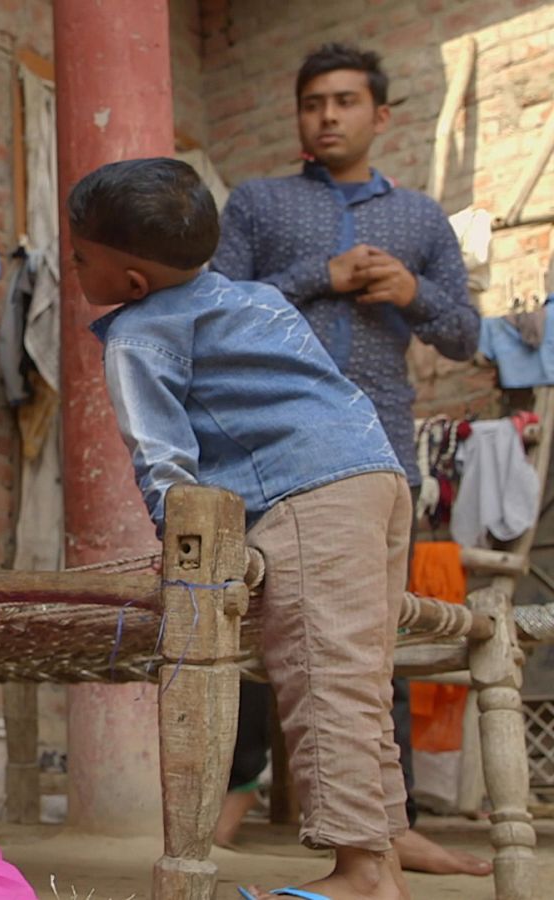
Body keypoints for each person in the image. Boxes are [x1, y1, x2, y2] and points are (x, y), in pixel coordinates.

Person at [72, 157, 411, 900]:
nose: (73, 266)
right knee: (358, 677)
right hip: (377, 477)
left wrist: (186, 548)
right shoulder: (256, 298)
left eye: (79, 256)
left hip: (306, 494)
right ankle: (381, 868)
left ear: (131, 283)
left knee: (323, 678)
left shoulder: (138, 332)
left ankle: (358, 873)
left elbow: (162, 459)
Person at [210, 42, 488, 877]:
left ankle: (387, 825)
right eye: (312, 103)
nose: (326, 117)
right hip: (267, 450)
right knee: (258, 625)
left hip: (378, 448)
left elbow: (469, 337)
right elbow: (214, 308)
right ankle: (234, 791)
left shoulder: (422, 220)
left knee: (377, 642)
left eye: (343, 102)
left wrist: (413, 293)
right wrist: (319, 274)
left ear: (381, 115)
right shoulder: (258, 205)